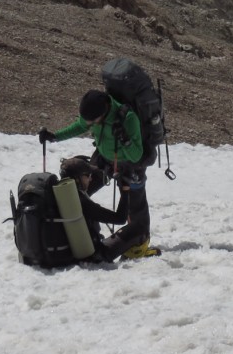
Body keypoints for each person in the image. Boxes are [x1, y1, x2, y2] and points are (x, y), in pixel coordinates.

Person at [38, 90, 156, 258]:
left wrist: (125, 140)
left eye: (92, 121)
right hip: (103, 159)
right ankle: (71, 230)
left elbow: (136, 155)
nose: (88, 123)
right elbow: (79, 126)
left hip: (130, 167)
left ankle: (139, 245)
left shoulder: (128, 119)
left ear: (105, 110)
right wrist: (55, 137)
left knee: (135, 207)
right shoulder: (93, 113)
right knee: (78, 193)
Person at [58, 156, 156, 261]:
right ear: (77, 178)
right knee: (139, 227)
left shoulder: (59, 195)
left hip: (67, 253)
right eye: (87, 175)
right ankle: (135, 253)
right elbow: (120, 218)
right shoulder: (80, 202)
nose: (91, 179)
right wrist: (125, 191)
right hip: (94, 255)